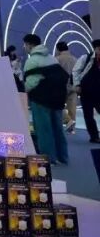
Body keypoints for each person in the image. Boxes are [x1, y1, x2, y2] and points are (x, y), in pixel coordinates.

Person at [22, 33, 69, 165]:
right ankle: (63, 156)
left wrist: (23, 90)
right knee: (58, 129)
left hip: (40, 100)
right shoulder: (52, 58)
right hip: (57, 98)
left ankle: (48, 159)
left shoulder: (32, 61)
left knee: (44, 130)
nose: (24, 47)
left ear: (30, 45)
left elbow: (31, 83)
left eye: (25, 44)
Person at [72, 38, 100, 143]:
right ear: (95, 49)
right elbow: (76, 71)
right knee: (88, 115)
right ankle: (94, 136)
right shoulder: (86, 58)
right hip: (86, 91)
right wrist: (77, 85)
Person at [54, 41, 77, 134]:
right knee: (72, 108)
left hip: (60, 86)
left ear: (58, 49)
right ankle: (71, 129)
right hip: (73, 86)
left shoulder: (57, 59)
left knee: (58, 106)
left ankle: (66, 123)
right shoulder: (75, 59)